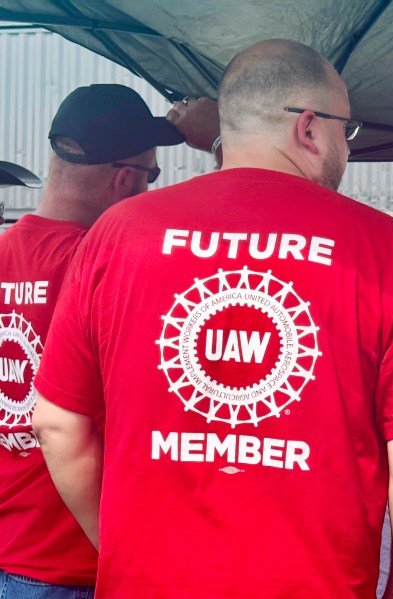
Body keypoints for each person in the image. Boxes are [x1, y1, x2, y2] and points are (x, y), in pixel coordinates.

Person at [32, 39, 393, 599]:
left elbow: (56, 423)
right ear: (309, 128)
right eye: (345, 131)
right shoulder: (378, 246)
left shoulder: (119, 234)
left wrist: (121, 547)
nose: (346, 149)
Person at [0, 85, 183, 598]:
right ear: (125, 180)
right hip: (82, 561)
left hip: (13, 545)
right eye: (153, 176)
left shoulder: (3, 250)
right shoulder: (106, 265)